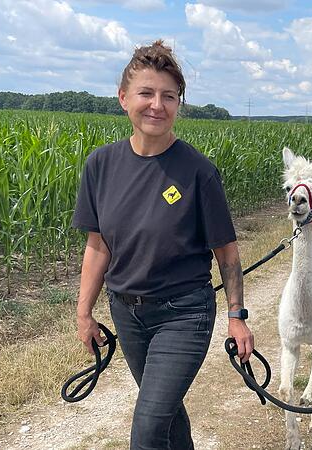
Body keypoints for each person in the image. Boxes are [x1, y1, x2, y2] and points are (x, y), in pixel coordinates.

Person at [72, 39, 254, 449]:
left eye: (169, 96)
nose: (157, 105)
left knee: (149, 426)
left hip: (183, 314)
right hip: (127, 313)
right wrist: (84, 313)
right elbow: (97, 247)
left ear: (179, 104)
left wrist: (236, 315)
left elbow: (226, 252)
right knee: (166, 418)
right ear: (123, 98)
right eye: (146, 93)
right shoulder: (100, 166)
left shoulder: (198, 172)